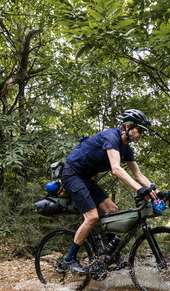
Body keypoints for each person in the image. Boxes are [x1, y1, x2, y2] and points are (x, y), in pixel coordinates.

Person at [60, 109, 157, 273]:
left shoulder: (126, 149)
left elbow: (138, 175)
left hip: (85, 178)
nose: (141, 134)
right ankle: (69, 259)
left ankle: (110, 256)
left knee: (112, 210)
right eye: (139, 130)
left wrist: (158, 193)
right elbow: (116, 169)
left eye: (143, 132)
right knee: (92, 217)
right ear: (127, 126)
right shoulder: (111, 137)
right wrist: (140, 190)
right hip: (71, 175)